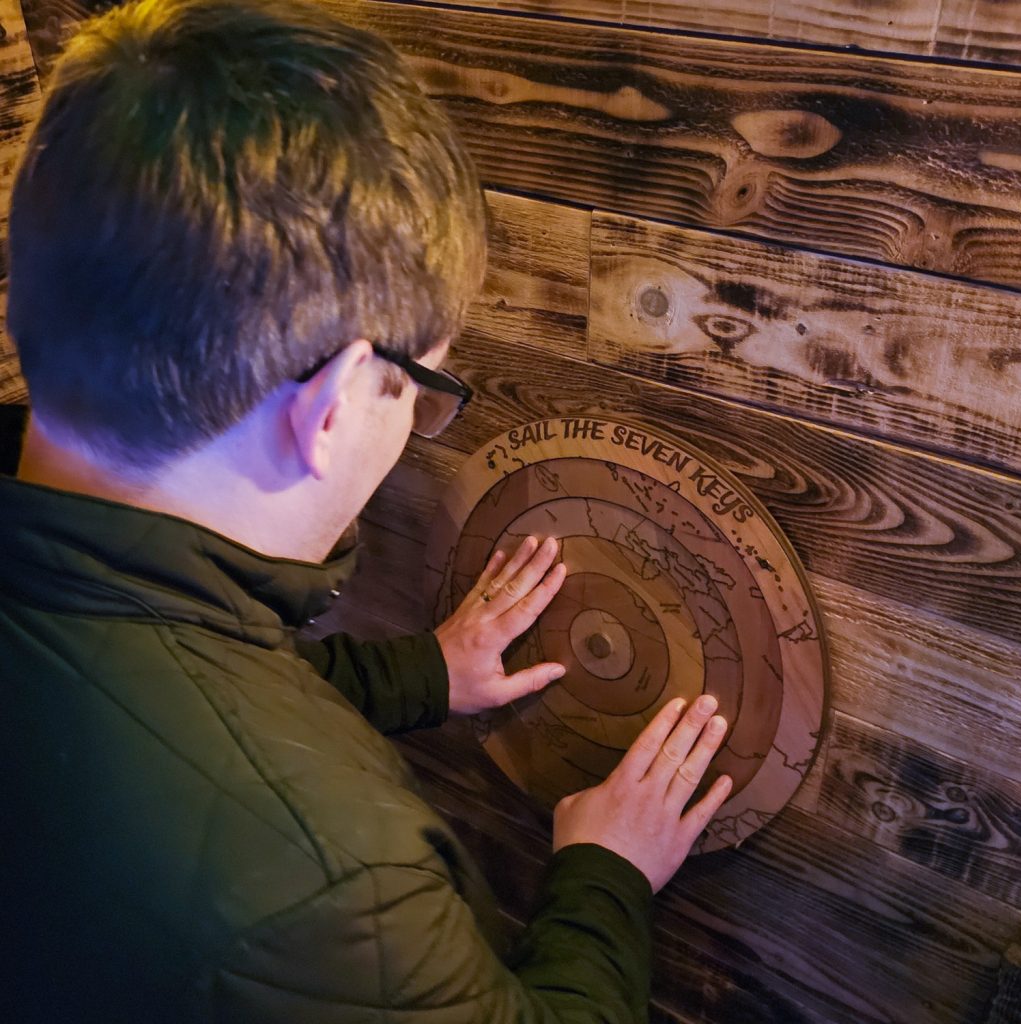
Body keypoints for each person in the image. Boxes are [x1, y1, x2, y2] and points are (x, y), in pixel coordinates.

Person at [0, 0, 733, 1020]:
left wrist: (424, 671)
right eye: (422, 387)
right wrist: (604, 875)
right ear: (337, 404)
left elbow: (154, 685)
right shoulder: (333, 888)